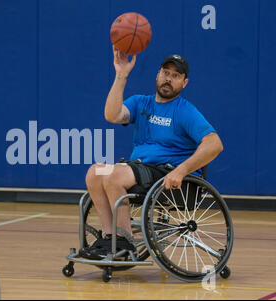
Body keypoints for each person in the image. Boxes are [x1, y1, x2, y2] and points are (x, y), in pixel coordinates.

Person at [83, 46, 224, 259]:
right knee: (95, 173)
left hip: (166, 174)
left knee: (112, 175)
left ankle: (124, 241)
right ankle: (109, 237)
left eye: (175, 76)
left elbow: (214, 144)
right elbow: (112, 115)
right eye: (165, 73)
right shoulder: (142, 102)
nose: (168, 79)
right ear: (158, 74)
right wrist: (121, 75)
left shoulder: (184, 110)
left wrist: (182, 170)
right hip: (140, 169)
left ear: (184, 83)